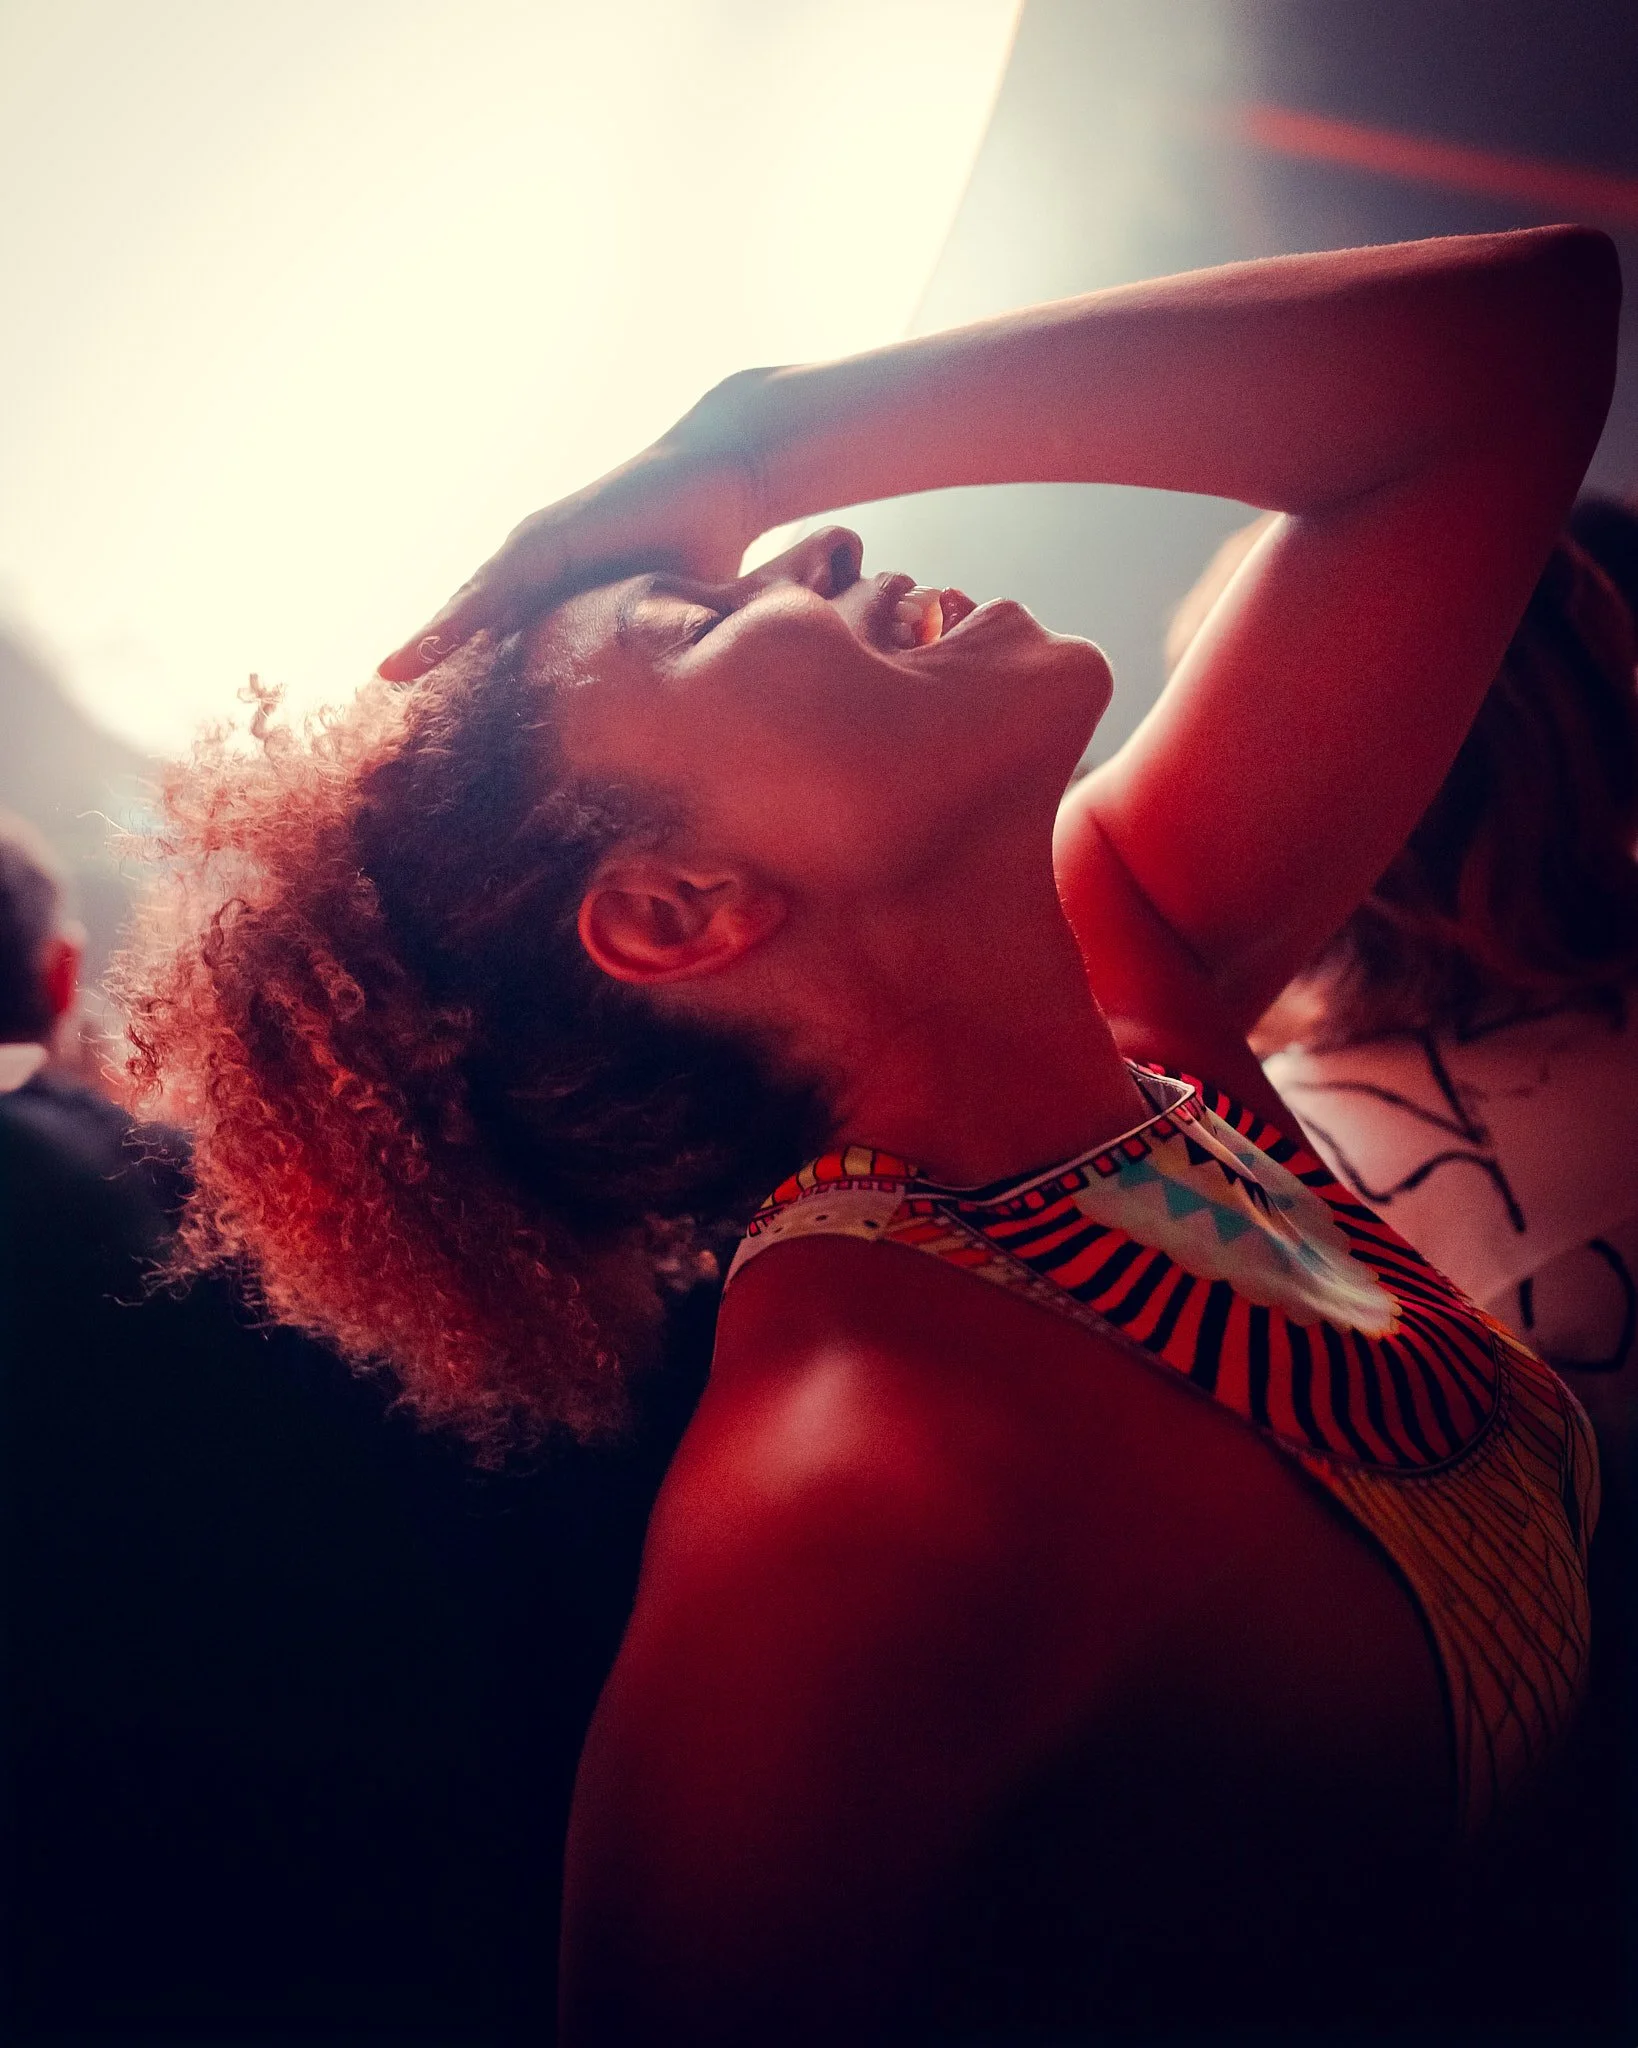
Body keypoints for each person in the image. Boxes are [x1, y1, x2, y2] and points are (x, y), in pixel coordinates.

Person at [121, 227, 1619, 2043]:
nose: (809, 549)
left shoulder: (1133, 1011)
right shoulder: (857, 1488)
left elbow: (1518, 344)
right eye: (694, 616)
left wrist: (751, 442)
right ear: (677, 909)